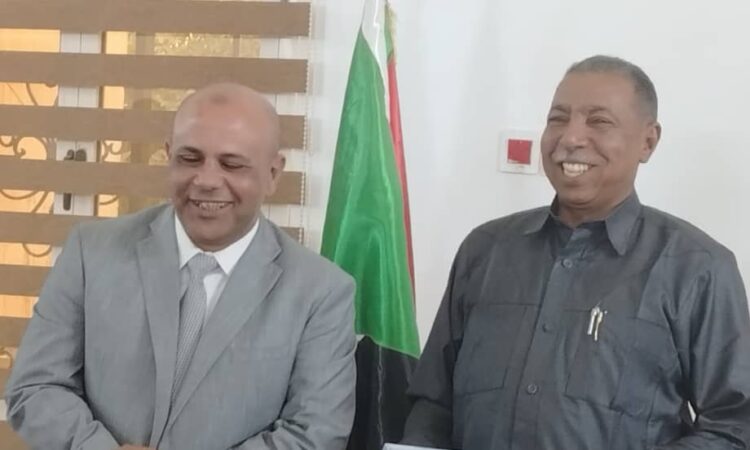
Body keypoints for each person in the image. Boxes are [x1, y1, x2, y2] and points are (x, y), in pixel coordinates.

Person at [401, 55, 750, 449]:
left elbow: (733, 427)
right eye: (558, 118)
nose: (570, 138)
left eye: (598, 121)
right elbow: (432, 405)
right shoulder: (485, 250)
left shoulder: (697, 268)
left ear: (648, 141)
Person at [5, 83, 356, 450]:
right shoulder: (90, 253)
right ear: (168, 154)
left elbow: (314, 433)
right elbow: (36, 386)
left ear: (273, 173)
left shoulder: (321, 292)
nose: (206, 181)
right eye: (190, 159)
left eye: (231, 164)